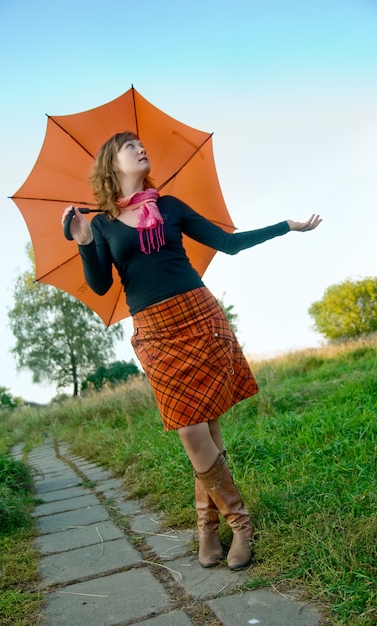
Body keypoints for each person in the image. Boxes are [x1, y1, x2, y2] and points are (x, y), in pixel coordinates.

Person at [61, 131, 321, 571]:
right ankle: (238, 523)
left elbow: (230, 244)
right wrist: (86, 241)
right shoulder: (101, 224)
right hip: (155, 331)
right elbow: (103, 285)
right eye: (130, 147)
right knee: (191, 430)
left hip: (199, 318)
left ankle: (209, 527)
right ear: (111, 164)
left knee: (208, 429)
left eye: (143, 144)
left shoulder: (171, 207)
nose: (142, 149)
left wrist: (287, 227)